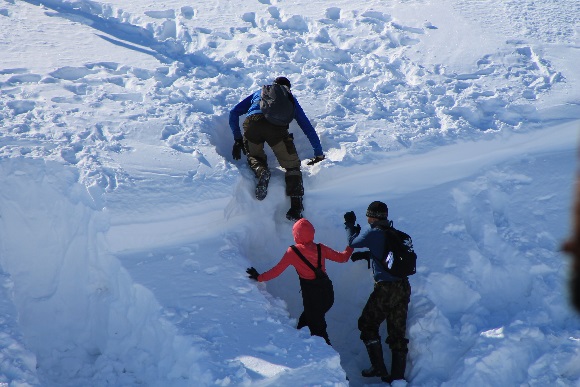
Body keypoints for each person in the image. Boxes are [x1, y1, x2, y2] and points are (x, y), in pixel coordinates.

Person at [229, 76, 325, 221]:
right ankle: (296, 207)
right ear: (288, 88)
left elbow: (233, 112)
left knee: (254, 157)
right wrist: (318, 152)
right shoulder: (288, 97)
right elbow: (306, 126)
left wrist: (237, 138)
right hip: (276, 128)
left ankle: (262, 171)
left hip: (252, 124)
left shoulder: (260, 92)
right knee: (292, 167)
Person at [246, 218, 353, 344]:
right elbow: (343, 258)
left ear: (296, 235)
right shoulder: (320, 248)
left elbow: (277, 270)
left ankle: (328, 359)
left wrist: (259, 277)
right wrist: (351, 243)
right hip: (327, 295)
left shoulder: (293, 252)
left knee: (318, 333)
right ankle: (301, 346)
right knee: (304, 324)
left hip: (313, 298)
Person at [344, 201, 412, 383]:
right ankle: (398, 379)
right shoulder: (395, 233)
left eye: (368, 215)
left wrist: (349, 225)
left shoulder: (373, 231)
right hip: (403, 287)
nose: (367, 219)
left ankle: (378, 366)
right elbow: (385, 253)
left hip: (386, 290)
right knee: (397, 334)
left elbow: (352, 242)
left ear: (373, 216)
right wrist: (369, 255)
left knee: (367, 323)